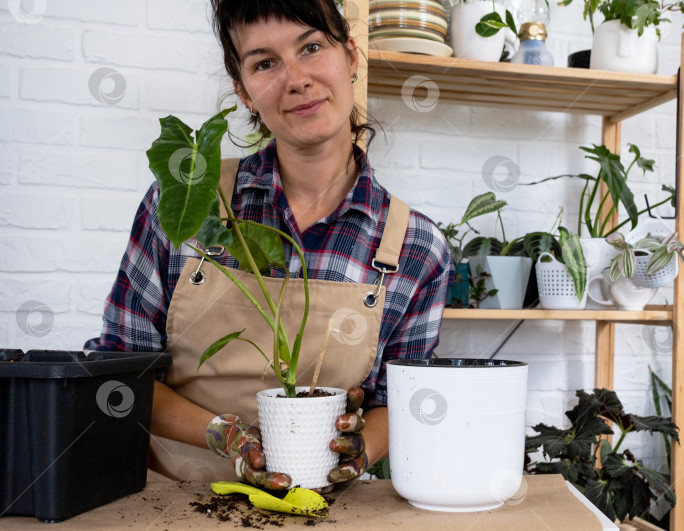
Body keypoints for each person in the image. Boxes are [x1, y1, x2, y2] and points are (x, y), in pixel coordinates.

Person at [85, 0, 451, 490]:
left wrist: (360, 449)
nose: (296, 79)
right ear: (245, 92)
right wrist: (226, 435)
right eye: (264, 63)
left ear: (351, 56)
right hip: (173, 505)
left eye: (312, 47)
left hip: (321, 510)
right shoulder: (187, 203)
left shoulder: (416, 247)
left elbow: (399, 400)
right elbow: (117, 373)